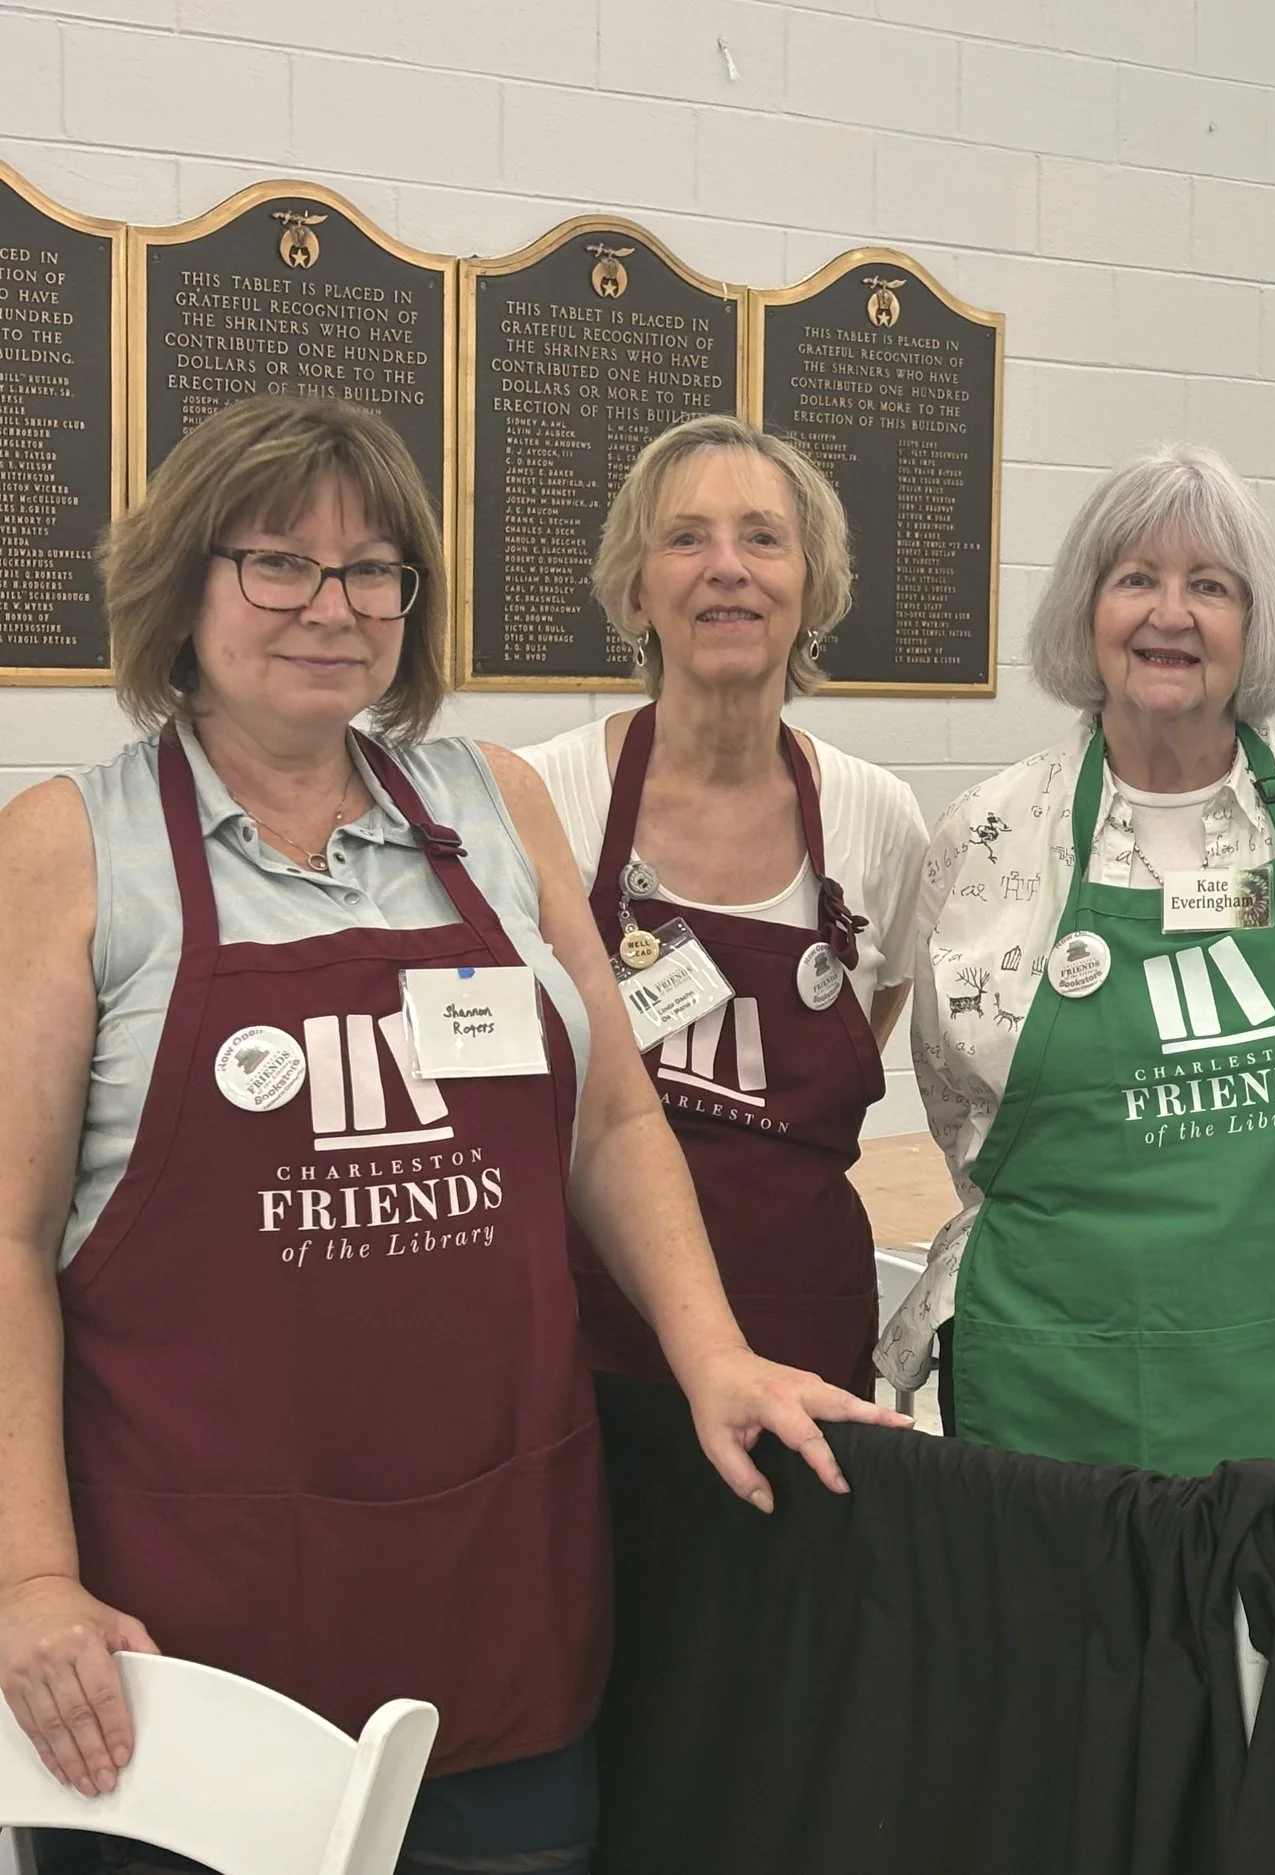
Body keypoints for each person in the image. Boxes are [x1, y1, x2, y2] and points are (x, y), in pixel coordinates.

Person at [0, 395, 901, 1875]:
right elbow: (11, 1235)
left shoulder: (494, 809)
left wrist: (710, 1348)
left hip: (494, 1598)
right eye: (276, 562)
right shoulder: (67, 848)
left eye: (373, 570)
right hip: (188, 1634)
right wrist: (29, 1572)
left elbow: (612, 1114)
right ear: (184, 584)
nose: (330, 606)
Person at [877, 444, 1275, 1503]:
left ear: (1254, 623)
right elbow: (960, 1100)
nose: (1170, 614)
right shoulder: (990, 836)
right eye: (1135, 578)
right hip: (1055, 1362)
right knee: (1061, 1655)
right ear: (1086, 613)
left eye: (1210, 587)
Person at [515, 415, 927, 1856]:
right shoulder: (541, 799)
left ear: (814, 584)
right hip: (581, 1356)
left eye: (764, 537)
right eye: (686, 536)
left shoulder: (875, 817)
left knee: (773, 1718)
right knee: (591, 1706)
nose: (726, 569)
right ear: (635, 584)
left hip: (806, 1338)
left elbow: (862, 1038)